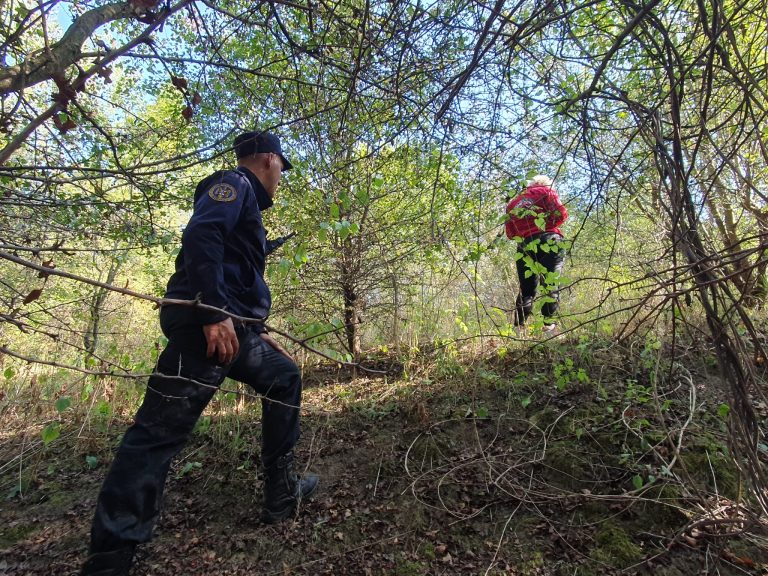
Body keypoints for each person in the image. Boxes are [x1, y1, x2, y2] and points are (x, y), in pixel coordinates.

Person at [80, 131, 318, 576]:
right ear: (269, 158)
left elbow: (236, 275)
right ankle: (109, 559)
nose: (281, 178)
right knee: (156, 436)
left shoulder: (246, 203)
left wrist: (254, 329)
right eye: (282, 168)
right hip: (201, 324)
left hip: (229, 328)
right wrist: (213, 311)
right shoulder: (233, 185)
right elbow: (202, 235)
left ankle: (281, 494)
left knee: (284, 377)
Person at [505, 174, 568, 332]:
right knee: (550, 283)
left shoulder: (513, 204)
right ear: (546, 184)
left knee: (526, 290)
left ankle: (518, 329)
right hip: (549, 239)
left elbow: (511, 234)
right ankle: (549, 328)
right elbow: (562, 214)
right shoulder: (547, 192)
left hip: (525, 246)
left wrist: (526, 232)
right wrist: (548, 226)